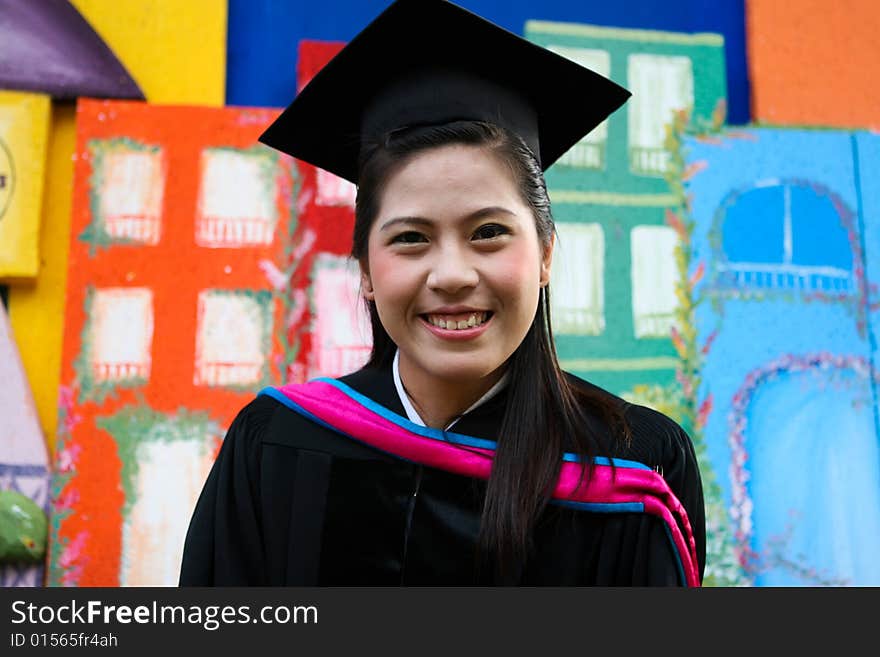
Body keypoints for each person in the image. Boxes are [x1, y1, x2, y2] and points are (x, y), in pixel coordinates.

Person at [179, 0, 706, 586]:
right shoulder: (275, 445)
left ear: (547, 254)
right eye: (411, 238)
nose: (451, 274)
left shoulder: (635, 470)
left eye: (488, 233)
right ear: (366, 271)